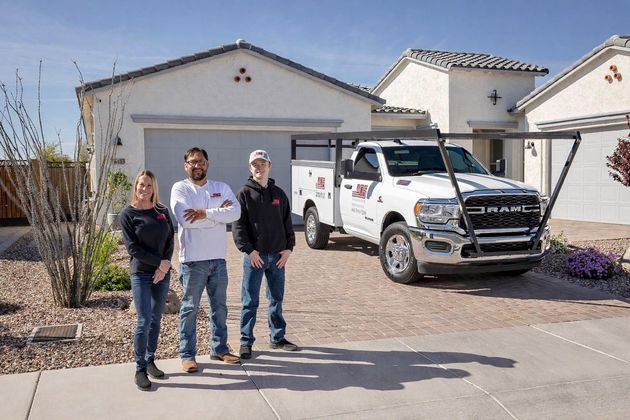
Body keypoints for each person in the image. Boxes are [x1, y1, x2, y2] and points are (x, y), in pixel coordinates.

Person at [171, 147, 242, 372]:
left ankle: (219, 349)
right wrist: (218, 217)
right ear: (186, 166)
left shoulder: (220, 187)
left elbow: (236, 213)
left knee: (219, 307)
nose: (197, 165)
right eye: (192, 162)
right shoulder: (180, 188)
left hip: (218, 259)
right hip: (193, 261)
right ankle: (187, 354)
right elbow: (186, 220)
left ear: (207, 163)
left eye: (200, 161)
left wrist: (205, 213)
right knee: (190, 308)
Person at [232, 149, 298, 360]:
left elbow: (287, 222)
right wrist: (249, 251)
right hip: (255, 258)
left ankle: (277, 338)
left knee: (276, 299)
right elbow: (238, 227)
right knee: (249, 301)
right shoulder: (243, 193)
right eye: (255, 165)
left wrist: (289, 248)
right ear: (250, 168)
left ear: (269, 166)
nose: (259, 168)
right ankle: (245, 341)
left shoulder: (279, 194)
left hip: (278, 257)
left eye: (263, 164)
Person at [120, 170, 174, 391]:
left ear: (154, 188)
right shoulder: (128, 214)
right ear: (136, 186)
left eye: (149, 185)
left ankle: (150, 359)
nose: (145, 189)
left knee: (156, 319)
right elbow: (132, 248)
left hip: (162, 273)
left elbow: (170, 238)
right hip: (142, 273)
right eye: (141, 185)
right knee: (143, 320)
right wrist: (158, 264)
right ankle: (139, 368)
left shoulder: (162, 211)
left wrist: (165, 264)